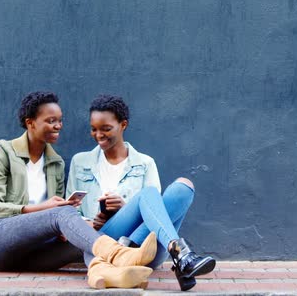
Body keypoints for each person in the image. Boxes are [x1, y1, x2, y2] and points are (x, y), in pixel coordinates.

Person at [0, 91, 159, 289]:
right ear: (30, 123)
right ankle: (119, 254)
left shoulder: (56, 163)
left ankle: (105, 273)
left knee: (86, 236)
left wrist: (69, 228)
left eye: (60, 120)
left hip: (30, 255)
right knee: (62, 213)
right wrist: (45, 209)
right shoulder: (4, 151)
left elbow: (56, 219)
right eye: (51, 120)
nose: (58, 126)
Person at [66, 94, 215, 291]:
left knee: (182, 186)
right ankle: (181, 254)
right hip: (103, 240)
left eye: (106, 129)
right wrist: (92, 222)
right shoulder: (80, 162)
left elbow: (156, 214)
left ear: (123, 125)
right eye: (94, 129)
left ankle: (135, 249)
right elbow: (70, 213)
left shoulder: (145, 163)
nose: (98, 135)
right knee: (148, 194)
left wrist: (126, 208)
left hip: (146, 246)